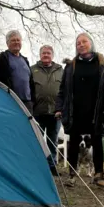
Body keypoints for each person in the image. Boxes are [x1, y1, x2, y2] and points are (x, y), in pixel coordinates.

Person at [55, 32, 104, 190]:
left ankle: (99, 176)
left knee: (97, 142)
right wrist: (59, 108)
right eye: (78, 43)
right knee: (74, 142)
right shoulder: (70, 66)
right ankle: (72, 175)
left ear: (91, 43)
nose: (81, 45)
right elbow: (62, 90)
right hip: (75, 111)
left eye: (84, 42)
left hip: (96, 112)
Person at [31, 45, 64, 176]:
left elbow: (65, 90)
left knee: (53, 141)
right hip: (37, 112)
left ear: (52, 55)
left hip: (55, 113)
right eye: (43, 53)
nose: (46, 55)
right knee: (37, 141)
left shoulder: (60, 70)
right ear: (40, 55)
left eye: (48, 53)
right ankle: (37, 167)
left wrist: (62, 109)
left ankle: (52, 166)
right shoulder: (32, 70)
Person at [0, 30, 35, 114]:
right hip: (11, 102)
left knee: (26, 127)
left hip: (27, 104)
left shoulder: (25, 60)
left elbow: (31, 82)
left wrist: (32, 101)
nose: (16, 42)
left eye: (18, 40)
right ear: (7, 43)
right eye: (13, 40)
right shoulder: (2, 58)